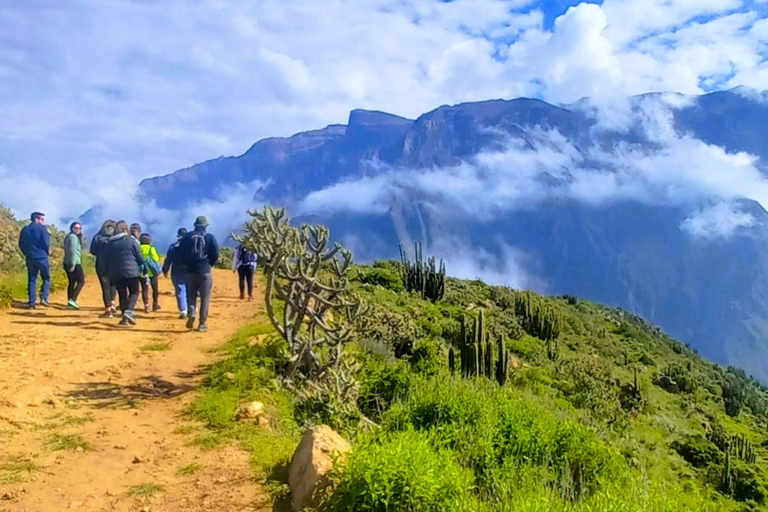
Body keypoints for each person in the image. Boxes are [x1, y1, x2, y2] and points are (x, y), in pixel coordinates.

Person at [178, 216, 219, 332]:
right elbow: (215, 254)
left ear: (195, 225)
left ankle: (191, 311)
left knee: (191, 295)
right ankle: (202, 324)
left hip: (190, 272)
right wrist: (208, 264)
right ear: (206, 226)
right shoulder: (210, 237)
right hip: (205, 271)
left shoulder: (186, 237)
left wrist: (186, 265)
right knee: (205, 298)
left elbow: (180, 253)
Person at [106, 220, 145, 326]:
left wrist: (106, 272)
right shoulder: (131, 241)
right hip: (132, 272)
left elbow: (106, 258)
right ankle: (129, 311)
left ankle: (124, 319)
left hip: (116, 273)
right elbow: (140, 258)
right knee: (134, 292)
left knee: (122, 295)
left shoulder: (111, 242)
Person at [18, 212, 51, 309]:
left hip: (30, 257)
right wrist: (46, 251)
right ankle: (44, 298)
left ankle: (32, 302)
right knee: (46, 277)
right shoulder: (42, 229)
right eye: (42, 219)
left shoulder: (25, 230)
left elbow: (21, 244)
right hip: (42, 257)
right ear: (36, 219)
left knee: (32, 279)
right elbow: (46, 243)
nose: (43, 221)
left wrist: (27, 253)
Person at [91, 220, 118, 318]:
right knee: (113, 285)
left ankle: (108, 310)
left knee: (105, 287)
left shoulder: (97, 237)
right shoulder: (116, 238)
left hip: (101, 265)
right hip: (115, 265)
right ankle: (113, 302)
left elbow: (92, 251)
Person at [162, 228, 188, 319]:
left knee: (180, 290)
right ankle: (192, 308)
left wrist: (165, 270)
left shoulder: (174, 246)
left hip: (177, 271)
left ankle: (183, 310)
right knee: (191, 290)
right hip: (190, 271)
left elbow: (168, 259)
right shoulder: (192, 245)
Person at [63, 221, 86, 309]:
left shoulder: (69, 236)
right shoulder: (73, 237)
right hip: (74, 263)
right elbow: (72, 251)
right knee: (81, 281)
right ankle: (72, 299)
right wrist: (73, 264)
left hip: (67, 262)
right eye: (76, 228)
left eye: (79, 228)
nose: (78, 230)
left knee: (72, 282)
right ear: (72, 228)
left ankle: (70, 301)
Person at [138, 233, 162, 313]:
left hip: (142, 272)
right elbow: (156, 258)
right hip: (152, 272)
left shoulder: (138, 248)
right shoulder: (151, 248)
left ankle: (146, 305)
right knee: (155, 289)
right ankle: (155, 304)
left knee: (144, 289)